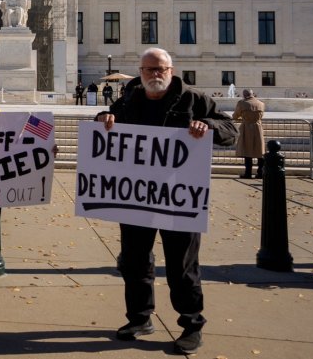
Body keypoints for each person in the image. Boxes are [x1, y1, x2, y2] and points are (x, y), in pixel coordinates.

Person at [96, 47, 237, 354]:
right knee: (134, 261)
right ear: (141, 72)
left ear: (171, 71)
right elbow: (108, 122)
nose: (155, 75)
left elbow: (231, 131)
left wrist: (208, 125)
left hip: (178, 198)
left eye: (161, 69)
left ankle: (191, 324)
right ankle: (139, 317)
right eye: (149, 70)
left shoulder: (193, 99)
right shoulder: (130, 98)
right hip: (136, 196)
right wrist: (103, 116)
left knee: (182, 265)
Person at [233, 89, 266, 179]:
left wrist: (242, 119)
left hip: (247, 127)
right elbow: (261, 116)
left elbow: (235, 116)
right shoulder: (261, 103)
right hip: (258, 127)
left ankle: (248, 173)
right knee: (260, 151)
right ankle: (260, 172)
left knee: (247, 150)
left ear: (244, 95)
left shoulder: (242, 103)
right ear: (252, 94)